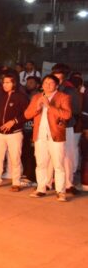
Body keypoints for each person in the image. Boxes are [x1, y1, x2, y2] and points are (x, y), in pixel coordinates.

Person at [25, 74, 71, 202]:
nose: (47, 85)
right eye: (45, 82)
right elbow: (27, 114)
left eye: (51, 83)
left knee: (58, 164)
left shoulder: (63, 97)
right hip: (40, 135)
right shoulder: (36, 97)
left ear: (57, 85)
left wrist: (50, 106)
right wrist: (37, 107)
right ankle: (41, 188)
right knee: (40, 163)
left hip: (55, 135)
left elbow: (67, 115)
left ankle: (61, 191)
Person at [0, 72, 29, 192]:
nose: (5, 85)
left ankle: (16, 182)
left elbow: (27, 114)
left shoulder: (21, 97)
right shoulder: (1, 96)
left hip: (14, 133)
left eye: (8, 82)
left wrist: (14, 121)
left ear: (14, 83)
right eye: (3, 82)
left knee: (15, 158)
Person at [51, 64, 80, 194]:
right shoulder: (48, 87)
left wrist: (62, 115)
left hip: (66, 126)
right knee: (49, 156)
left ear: (65, 76)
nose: (56, 77)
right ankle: (47, 182)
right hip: (51, 126)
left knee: (67, 155)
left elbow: (75, 110)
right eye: (54, 74)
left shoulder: (70, 90)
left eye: (59, 75)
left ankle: (68, 183)